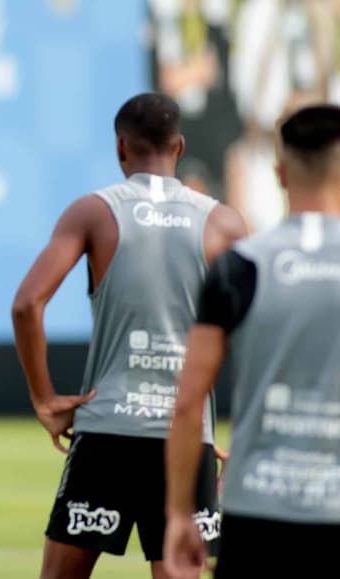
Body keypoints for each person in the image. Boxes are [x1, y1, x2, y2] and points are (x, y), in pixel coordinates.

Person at [12, 92, 247, 579]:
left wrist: (44, 399)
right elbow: (260, 330)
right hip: (186, 437)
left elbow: (26, 304)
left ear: (121, 148)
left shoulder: (93, 212)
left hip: (108, 430)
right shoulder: (224, 222)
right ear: (179, 147)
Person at [164, 104, 340, 578]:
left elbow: (187, 403)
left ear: (281, 173)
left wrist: (181, 513)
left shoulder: (240, 266)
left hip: (258, 507)